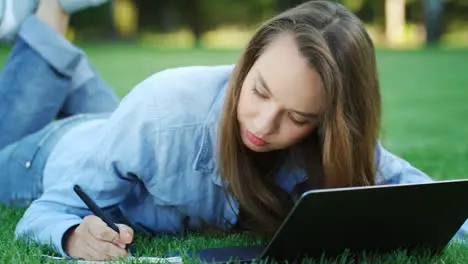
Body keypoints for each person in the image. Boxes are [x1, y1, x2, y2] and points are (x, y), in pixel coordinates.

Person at [0, 0, 466, 261]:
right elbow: (46, 212)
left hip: (119, 131)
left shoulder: (331, 138)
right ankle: (48, 12)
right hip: (47, 154)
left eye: (299, 118)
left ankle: (54, 42)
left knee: (110, 112)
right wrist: (71, 237)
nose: (264, 126)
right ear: (245, 64)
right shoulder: (163, 110)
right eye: (259, 92)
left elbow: (427, 196)